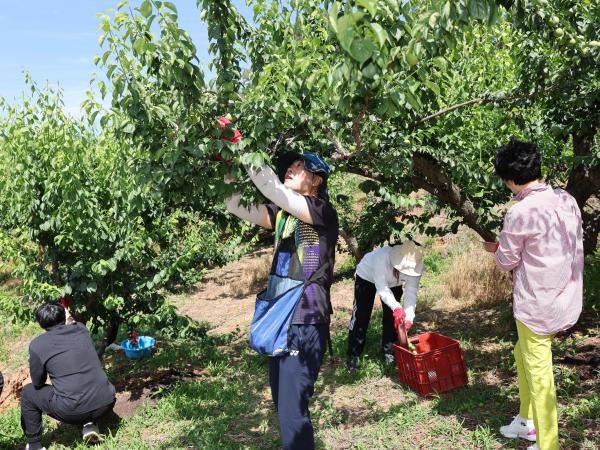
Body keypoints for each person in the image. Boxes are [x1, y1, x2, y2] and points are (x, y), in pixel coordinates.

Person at [225, 150, 338, 450]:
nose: (290, 169)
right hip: (282, 321)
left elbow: (272, 188)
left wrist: (241, 147)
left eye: (298, 167)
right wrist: (226, 165)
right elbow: (234, 204)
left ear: (316, 180)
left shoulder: (322, 211)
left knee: (292, 411)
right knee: (283, 404)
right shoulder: (283, 217)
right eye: (288, 166)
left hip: (305, 319)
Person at [483, 139, 583, 450]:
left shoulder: (520, 212)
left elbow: (506, 262)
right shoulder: (566, 199)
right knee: (520, 354)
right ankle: (526, 421)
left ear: (510, 179)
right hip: (565, 298)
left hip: (536, 306)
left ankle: (548, 443)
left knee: (541, 376)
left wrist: (497, 248)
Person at [21, 303, 116, 450]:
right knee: (82, 380)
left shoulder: (38, 345)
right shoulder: (81, 329)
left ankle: (34, 445)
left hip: (72, 411)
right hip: (106, 401)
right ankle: (90, 424)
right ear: (64, 316)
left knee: (28, 392)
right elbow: (72, 321)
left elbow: (38, 382)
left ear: (40, 323)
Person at [346, 241, 424, 371]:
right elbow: (382, 288)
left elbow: (411, 292)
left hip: (394, 284)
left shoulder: (416, 264)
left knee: (392, 319)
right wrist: (397, 307)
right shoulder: (381, 258)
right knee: (361, 315)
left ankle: (389, 352)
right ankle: (353, 355)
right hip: (367, 277)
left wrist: (409, 318)